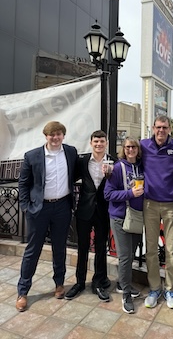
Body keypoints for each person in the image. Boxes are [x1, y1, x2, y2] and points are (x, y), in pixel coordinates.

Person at [16, 121, 77, 312]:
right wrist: (27, 207)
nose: (56, 137)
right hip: (39, 209)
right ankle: (23, 291)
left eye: (59, 134)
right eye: (52, 134)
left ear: (63, 136)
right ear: (46, 136)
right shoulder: (32, 156)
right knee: (32, 251)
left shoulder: (70, 152)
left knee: (60, 248)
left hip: (62, 207)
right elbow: (23, 184)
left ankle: (59, 284)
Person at [141, 115, 173, 309]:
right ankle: (154, 288)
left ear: (170, 129)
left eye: (165, 127)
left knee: (171, 250)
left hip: (171, 204)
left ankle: (170, 289)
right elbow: (127, 157)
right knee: (151, 249)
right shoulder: (143, 145)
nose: (161, 130)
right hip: (149, 204)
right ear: (153, 128)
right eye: (158, 127)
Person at [64, 130, 115, 302]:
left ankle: (99, 282)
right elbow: (70, 178)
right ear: (91, 143)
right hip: (84, 211)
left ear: (106, 143)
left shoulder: (113, 162)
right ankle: (79, 282)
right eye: (96, 141)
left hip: (103, 211)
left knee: (101, 248)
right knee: (82, 247)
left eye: (102, 141)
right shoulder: (82, 161)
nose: (99, 144)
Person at [104, 137, 144, 314]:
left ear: (138, 149)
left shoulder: (142, 167)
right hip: (120, 217)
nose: (130, 149)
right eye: (127, 147)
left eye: (134, 146)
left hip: (137, 217)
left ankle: (122, 282)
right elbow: (108, 194)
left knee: (130, 255)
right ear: (123, 149)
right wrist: (130, 194)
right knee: (125, 257)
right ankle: (126, 295)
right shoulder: (117, 168)